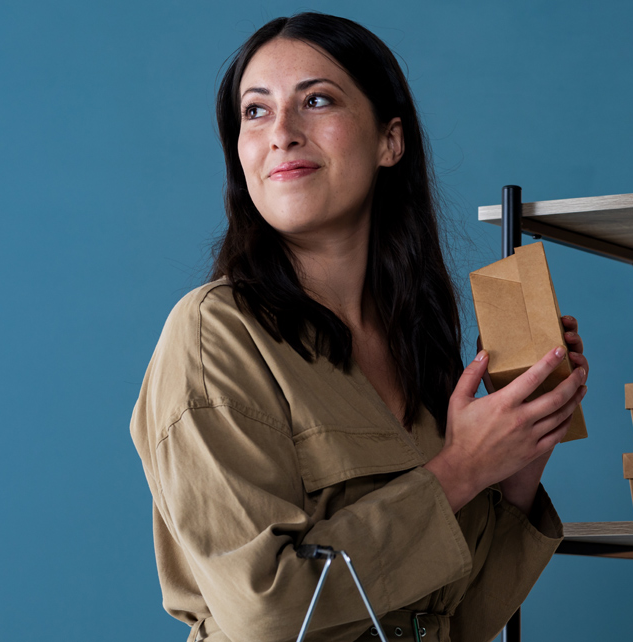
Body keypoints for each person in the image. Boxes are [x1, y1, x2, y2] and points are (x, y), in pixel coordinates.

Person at [130, 12, 589, 642]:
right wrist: (457, 470)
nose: (282, 134)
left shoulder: (417, 344)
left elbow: (458, 621)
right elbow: (266, 612)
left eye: (316, 100)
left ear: (389, 141)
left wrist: (514, 461)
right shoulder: (216, 334)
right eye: (256, 112)